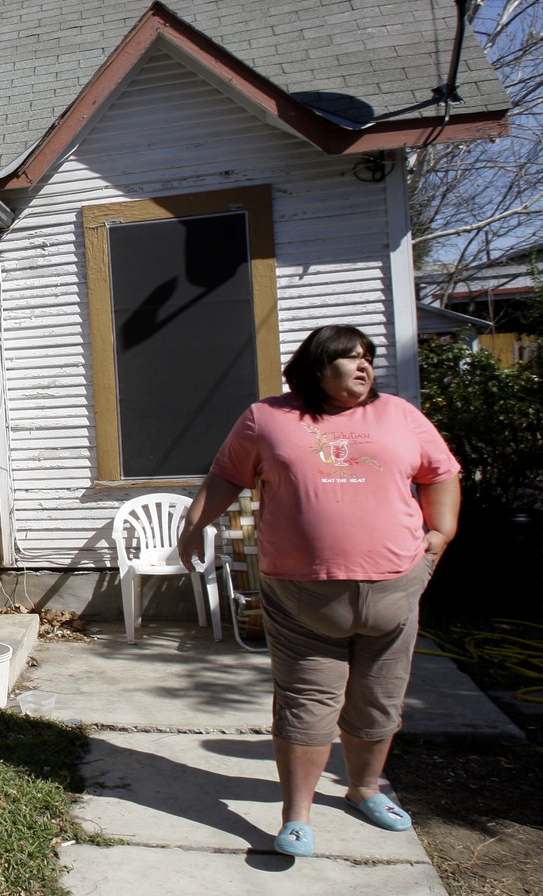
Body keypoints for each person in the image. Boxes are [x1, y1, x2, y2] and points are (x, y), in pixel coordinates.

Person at [175, 324, 460, 859]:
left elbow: (441, 473)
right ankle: (297, 818)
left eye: (368, 357)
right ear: (316, 366)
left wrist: (441, 533)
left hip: (395, 588)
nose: (364, 366)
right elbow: (226, 477)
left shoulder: (399, 415)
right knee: (306, 705)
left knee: (380, 700)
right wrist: (193, 525)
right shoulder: (269, 418)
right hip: (304, 598)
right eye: (349, 357)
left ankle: (365, 790)